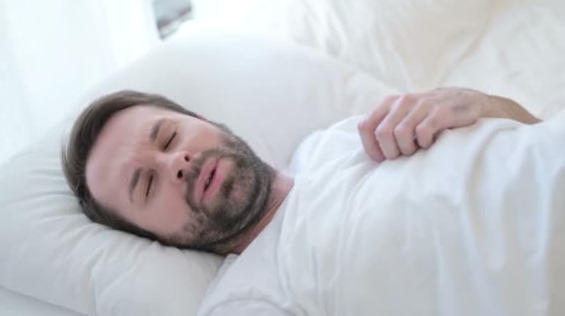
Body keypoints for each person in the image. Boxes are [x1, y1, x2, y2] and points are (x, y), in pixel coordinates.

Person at [62, 87, 563, 315]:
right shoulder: (248, 299)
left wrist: (482, 104)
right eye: (146, 185)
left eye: (170, 137)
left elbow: (531, 137)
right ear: (156, 239)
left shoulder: (337, 140)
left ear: (202, 119)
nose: (176, 163)